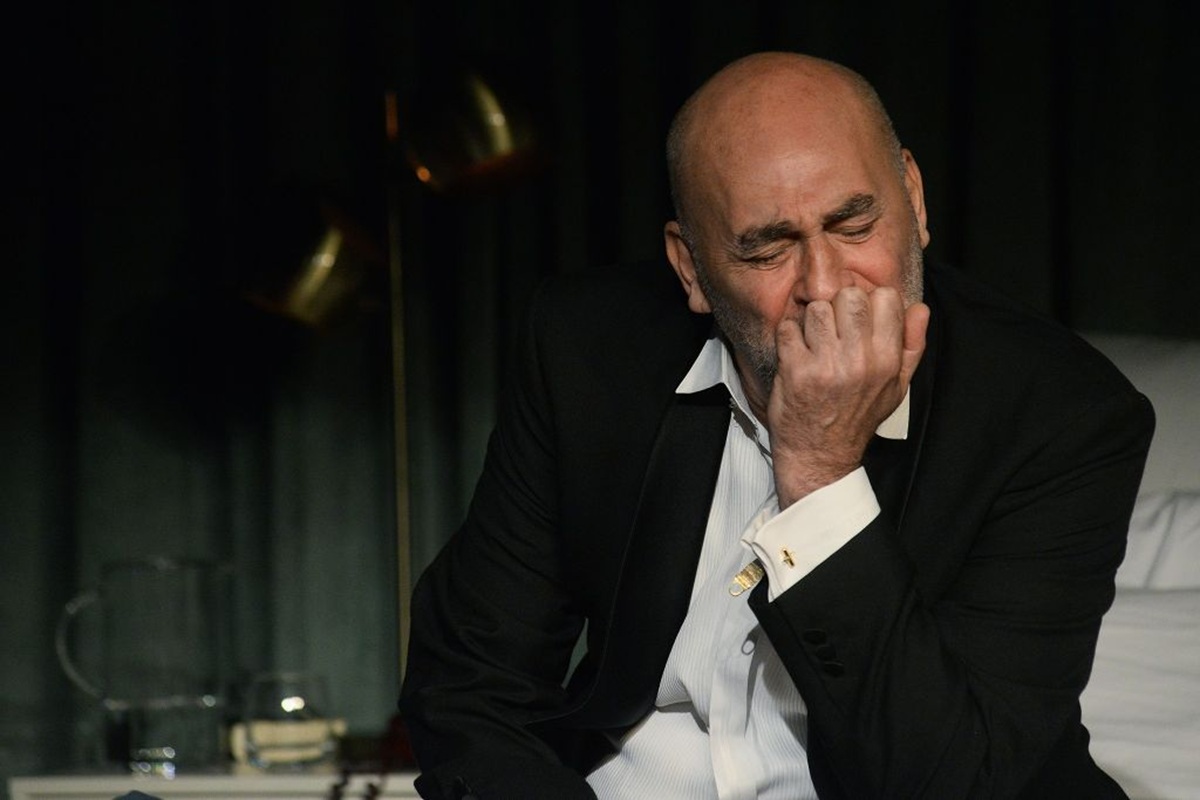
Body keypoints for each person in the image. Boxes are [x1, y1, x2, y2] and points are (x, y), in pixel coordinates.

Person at [397, 51, 1155, 799]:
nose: (824, 287)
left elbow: (954, 779)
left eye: (854, 224)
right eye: (768, 249)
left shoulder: (1062, 415)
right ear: (691, 269)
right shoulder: (586, 347)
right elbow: (470, 682)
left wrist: (821, 472)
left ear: (915, 201)